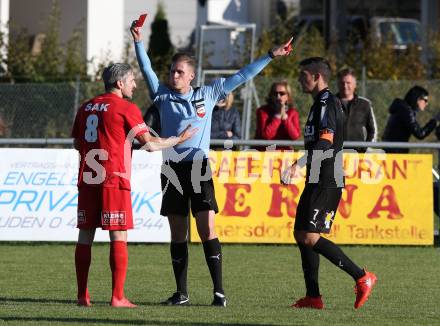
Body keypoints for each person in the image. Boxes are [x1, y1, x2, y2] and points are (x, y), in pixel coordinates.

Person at [131, 20, 292, 307]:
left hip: (198, 169)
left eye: (179, 72)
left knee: (207, 230)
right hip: (171, 170)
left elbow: (243, 76)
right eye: (171, 71)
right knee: (178, 233)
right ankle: (181, 293)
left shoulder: (208, 93)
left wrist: (270, 54)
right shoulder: (163, 95)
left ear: (191, 75)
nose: (173, 75)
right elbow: (146, 70)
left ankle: (219, 293)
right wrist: (138, 41)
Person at [71, 63, 195, 308]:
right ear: (119, 83)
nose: (135, 85)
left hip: (87, 179)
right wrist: (179, 139)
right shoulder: (125, 107)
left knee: (85, 235)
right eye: (131, 81)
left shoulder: (86, 107)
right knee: (118, 235)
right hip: (113, 179)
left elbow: (77, 143)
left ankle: (82, 295)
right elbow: (149, 144)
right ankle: (117, 297)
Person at [281, 57, 377, 310]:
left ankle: (362, 276)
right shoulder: (319, 103)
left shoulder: (326, 102)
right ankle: (313, 297)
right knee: (301, 234)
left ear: (316, 77)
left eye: (304, 75)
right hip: (317, 177)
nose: (301, 80)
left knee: (311, 237)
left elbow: (325, 141)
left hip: (327, 178)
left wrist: (297, 165)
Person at [382, 85, 440, 153]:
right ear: (418, 99)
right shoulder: (406, 111)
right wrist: (435, 120)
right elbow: (420, 134)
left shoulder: (403, 109)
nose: (426, 103)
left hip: (392, 150)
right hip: (395, 152)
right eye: (425, 100)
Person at [336, 68, 377, 149]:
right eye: (342, 83)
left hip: (358, 155)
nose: (345, 86)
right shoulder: (328, 104)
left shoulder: (365, 104)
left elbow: (373, 130)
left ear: (355, 84)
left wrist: (366, 149)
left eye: (348, 83)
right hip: (334, 156)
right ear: (337, 84)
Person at [255, 80, 301, 150]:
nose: (278, 96)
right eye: (275, 93)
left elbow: (295, 136)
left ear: (288, 96)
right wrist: (278, 116)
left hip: (285, 155)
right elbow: (266, 135)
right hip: (265, 154)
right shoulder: (262, 111)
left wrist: (285, 118)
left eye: (282, 93)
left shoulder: (293, 113)